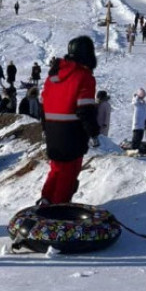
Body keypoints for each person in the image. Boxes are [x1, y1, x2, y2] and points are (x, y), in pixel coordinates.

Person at [39, 36, 100, 205]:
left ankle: (45, 199)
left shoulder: (53, 76)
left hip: (52, 131)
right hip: (72, 133)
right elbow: (85, 110)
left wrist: (45, 128)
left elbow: (42, 105)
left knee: (56, 169)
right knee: (68, 173)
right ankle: (59, 209)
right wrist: (94, 133)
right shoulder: (84, 76)